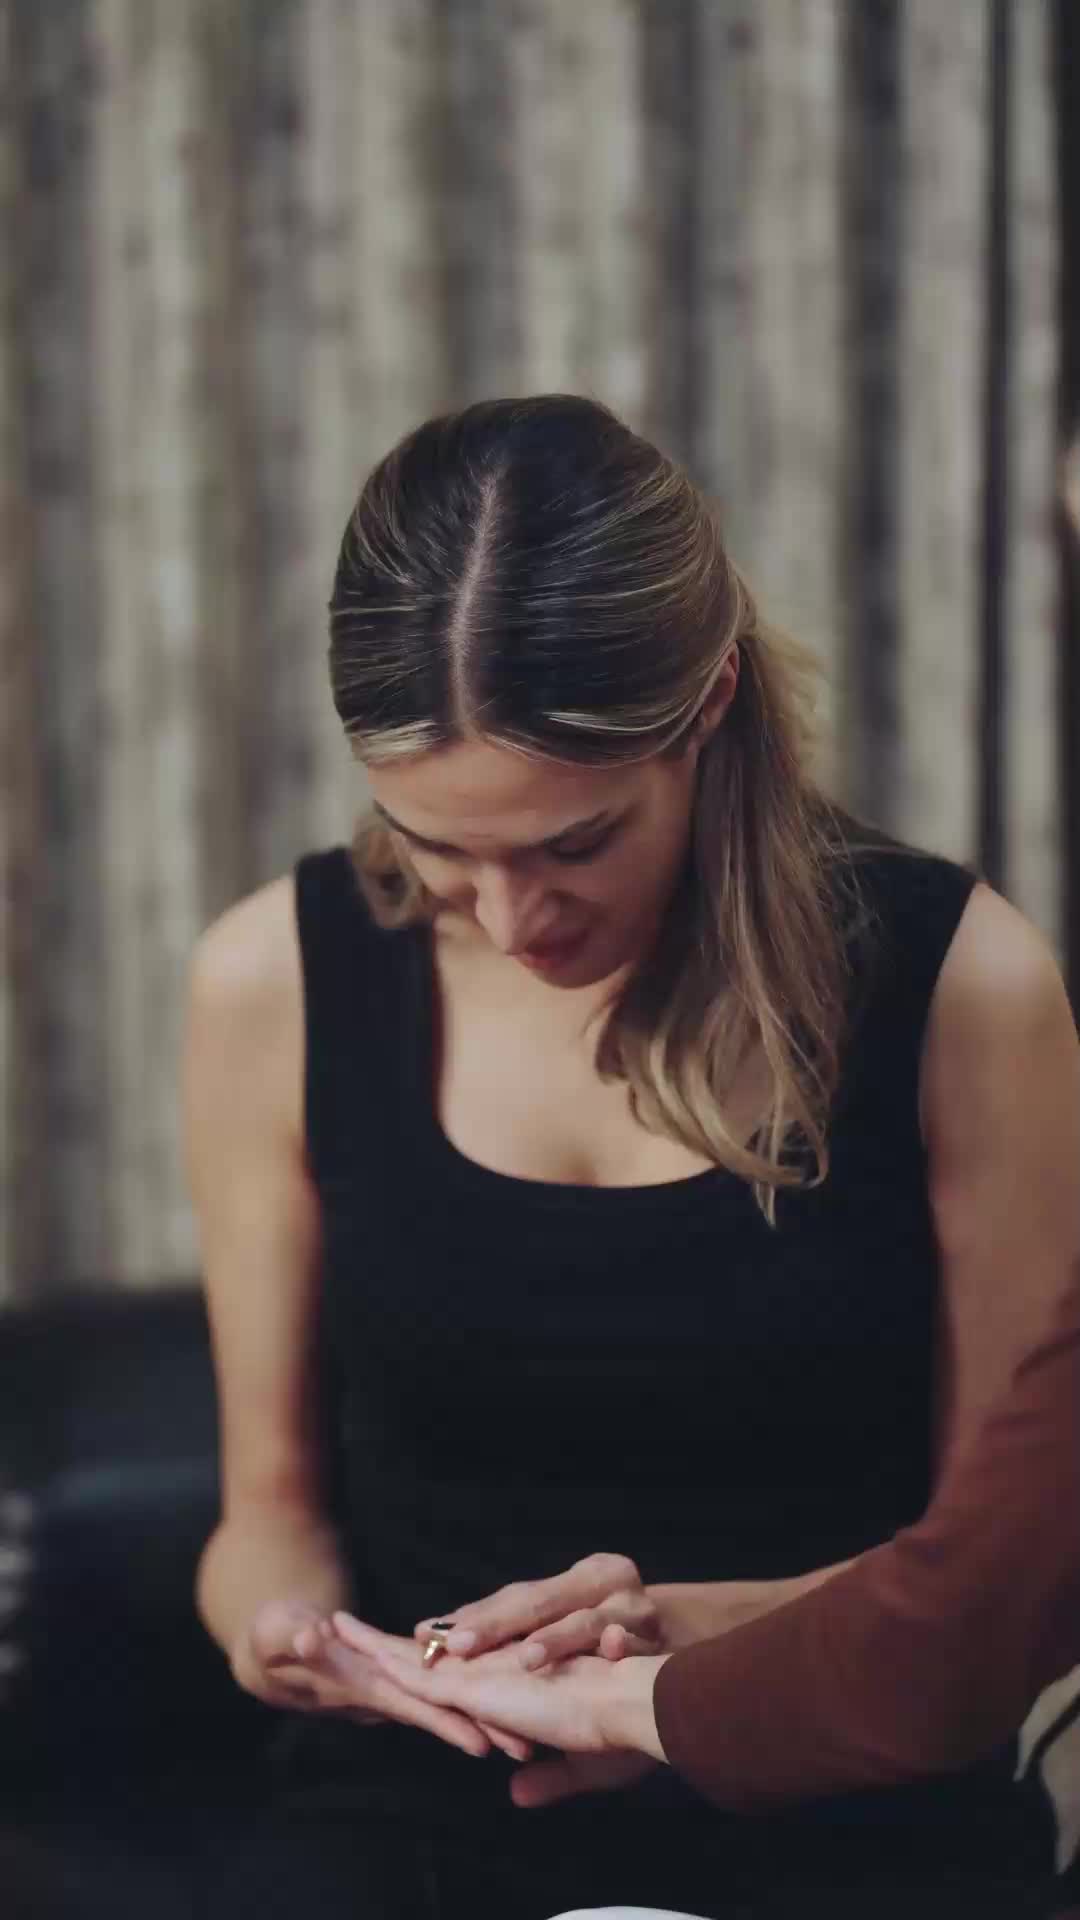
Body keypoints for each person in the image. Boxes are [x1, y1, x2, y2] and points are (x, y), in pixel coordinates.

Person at [184, 394, 1080, 1920]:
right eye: (436, 844)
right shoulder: (269, 980)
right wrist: (286, 1631)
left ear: (709, 702)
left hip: (855, 1811)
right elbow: (266, 1511)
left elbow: (1010, 1572)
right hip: (416, 1817)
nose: (511, 920)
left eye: (575, 842)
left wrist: (658, 1672)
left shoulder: (964, 988)